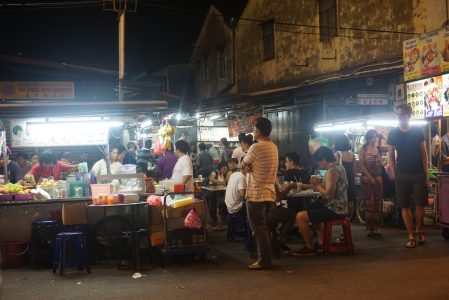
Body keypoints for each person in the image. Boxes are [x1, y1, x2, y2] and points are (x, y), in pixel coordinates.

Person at [388, 104, 428, 248]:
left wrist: (426, 173)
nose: (400, 118)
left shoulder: (418, 131)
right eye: (398, 115)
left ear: (409, 116)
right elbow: (390, 155)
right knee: (404, 206)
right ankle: (411, 236)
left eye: (403, 115)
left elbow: (424, 153)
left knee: (419, 205)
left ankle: (420, 230)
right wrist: (394, 172)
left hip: (418, 173)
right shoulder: (393, 133)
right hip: (402, 174)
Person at [294, 146, 348, 256]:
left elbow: (328, 194)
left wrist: (317, 185)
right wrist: (305, 185)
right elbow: (323, 187)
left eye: (319, 161)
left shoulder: (332, 171)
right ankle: (321, 242)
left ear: (323, 159)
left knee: (300, 216)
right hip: (339, 207)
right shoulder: (339, 166)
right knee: (310, 208)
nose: (319, 164)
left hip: (335, 210)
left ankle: (309, 247)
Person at [240, 117, 279, 270]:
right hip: (269, 194)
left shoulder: (256, 147)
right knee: (265, 228)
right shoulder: (273, 146)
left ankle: (264, 261)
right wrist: (249, 167)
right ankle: (266, 258)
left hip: (256, 194)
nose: (253, 131)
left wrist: (247, 167)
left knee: (258, 229)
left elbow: (242, 165)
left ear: (259, 131)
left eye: (254, 128)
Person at [359, 129, 383, 237]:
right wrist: (370, 177)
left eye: (376, 137)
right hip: (367, 179)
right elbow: (362, 166)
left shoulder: (378, 149)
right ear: (368, 138)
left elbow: (380, 164)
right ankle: (369, 227)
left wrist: (379, 176)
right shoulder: (363, 149)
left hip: (378, 179)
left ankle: (377, 227)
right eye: (373, 137)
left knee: (378, 204)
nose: (375, 139)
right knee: (369, 204)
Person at [334, 134, 355, 217]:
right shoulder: (352, 155)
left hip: (342, 180)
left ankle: (341, 214)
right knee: (349, 198)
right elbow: (353, 170)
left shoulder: (337, 155)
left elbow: (335, 170)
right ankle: (348, 216)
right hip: (350, 179)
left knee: (341, 198)